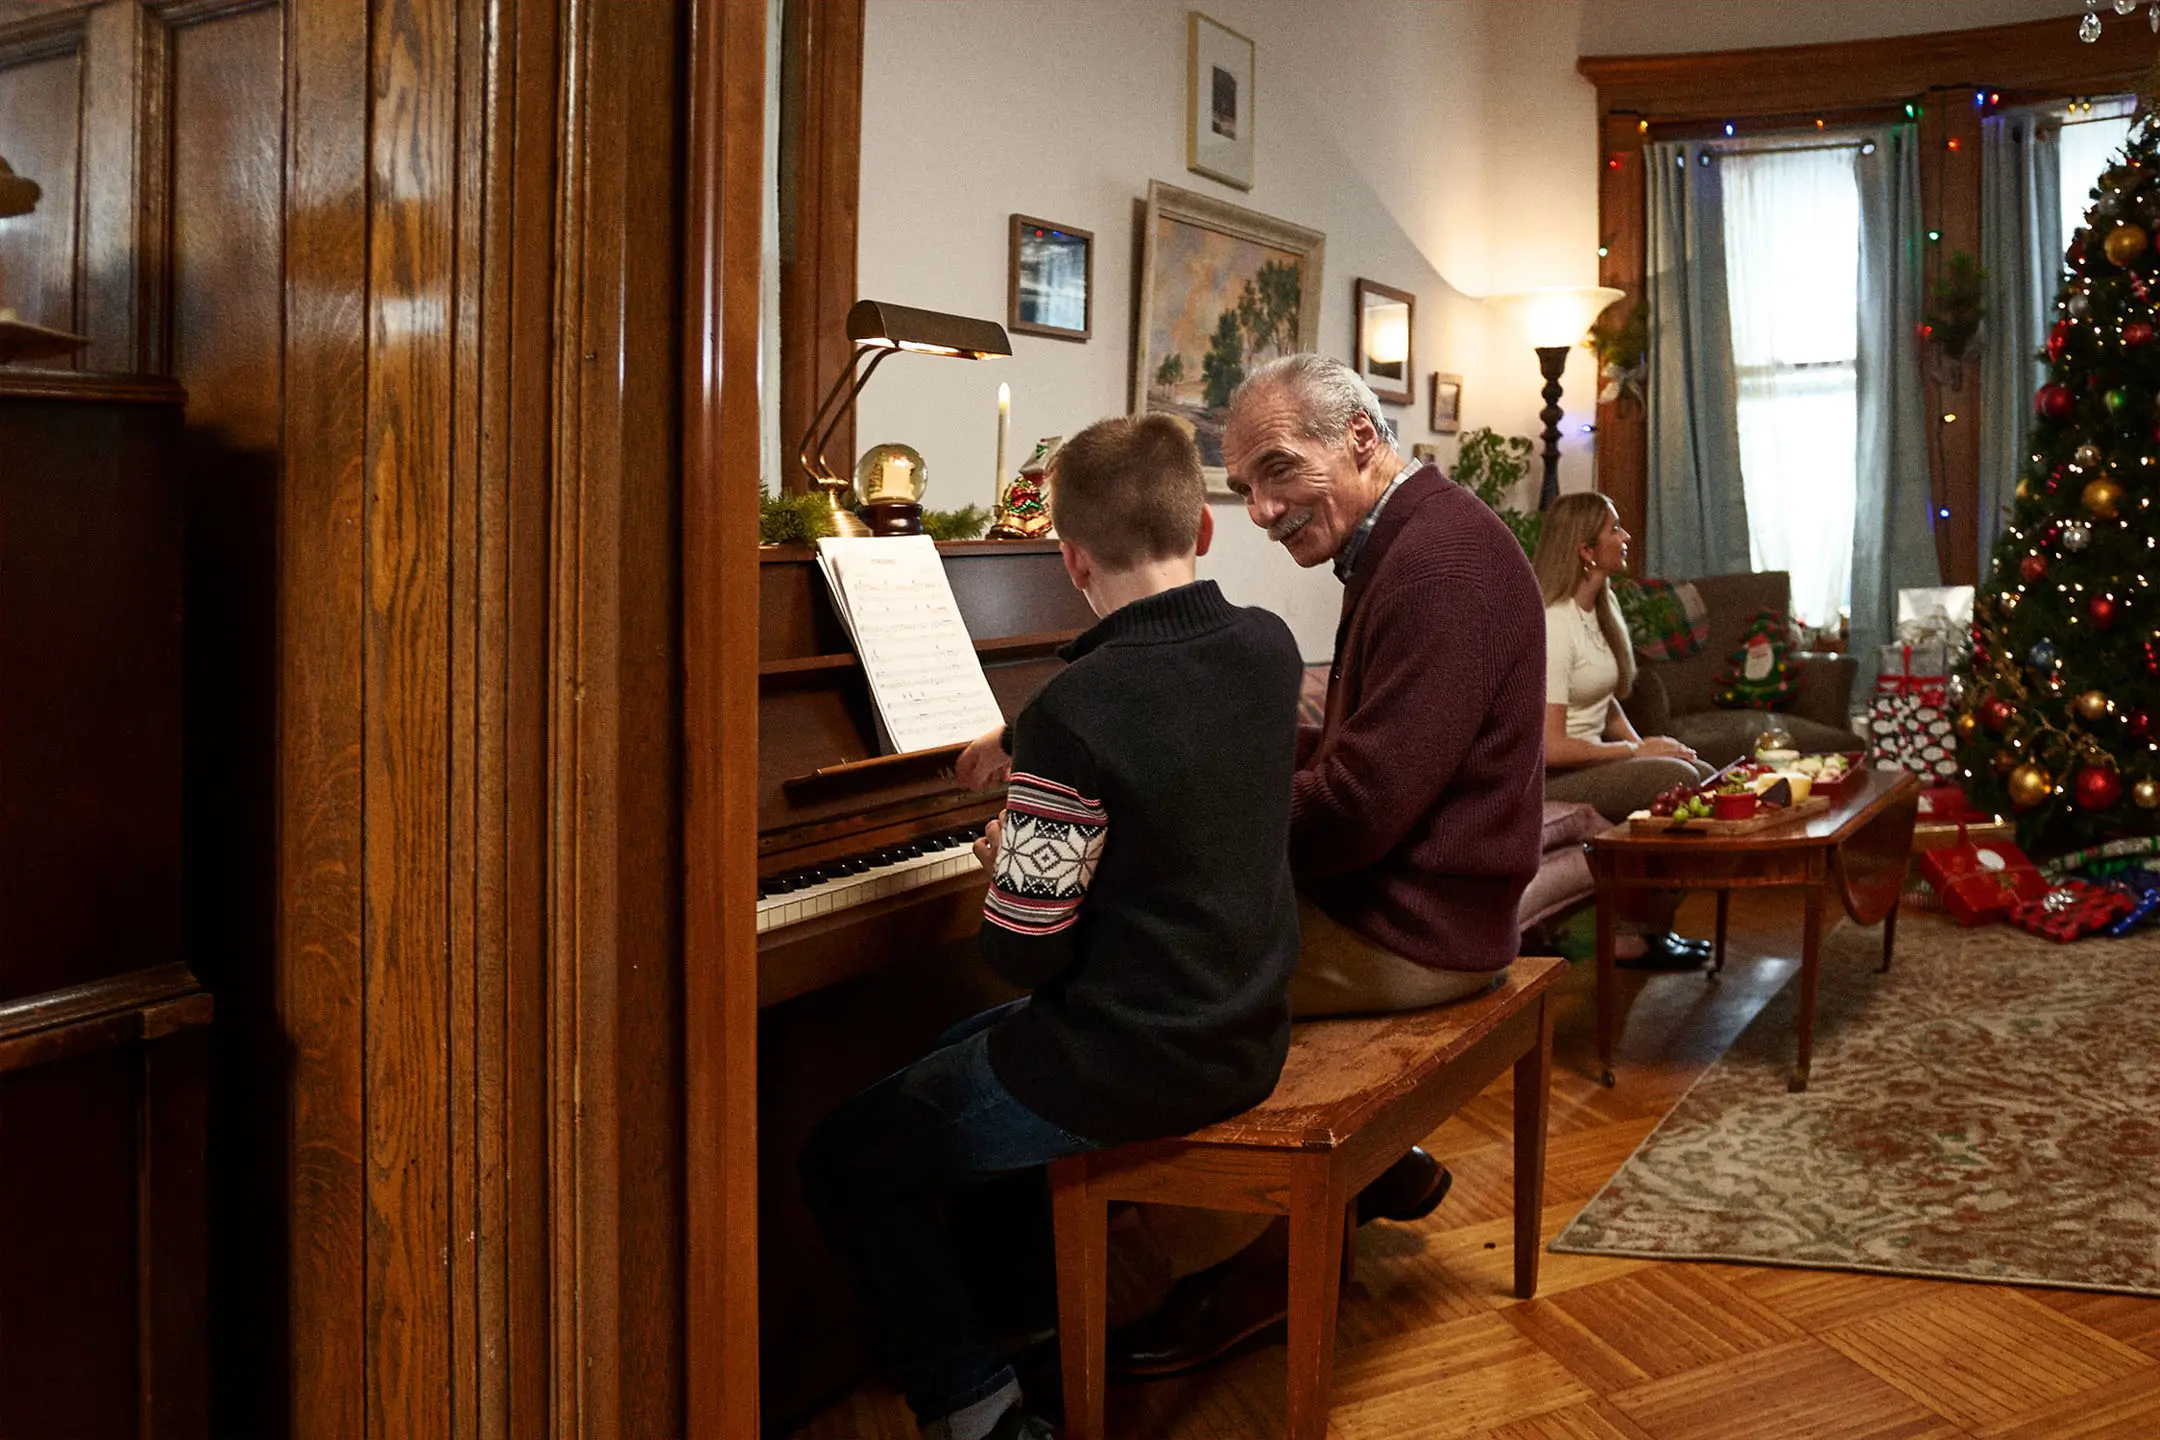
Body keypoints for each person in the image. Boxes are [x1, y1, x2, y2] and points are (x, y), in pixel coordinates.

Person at [800, 413, 1305, 1440]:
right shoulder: (1267, 646)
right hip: (1243, 1030)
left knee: (842, 1152)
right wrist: (1022, 736)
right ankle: (1029, 1323)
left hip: (1131, 1058)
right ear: (1201, 531)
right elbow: (1162, 705)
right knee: (948, 1056)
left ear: (1067, 558)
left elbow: (1022, 956)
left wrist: (1007, 869)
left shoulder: (1080, 710)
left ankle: (976, 1409)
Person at [1099, 353, 1550, 1377]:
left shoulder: (1437, 566)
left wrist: (1180, 813)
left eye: (1275, 472)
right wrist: (1223, 762)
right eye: (1242, 487)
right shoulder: (1415, 538)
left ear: (1358, 439)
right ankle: (1366, 1171)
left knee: (1146, 972)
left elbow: (1357, 810)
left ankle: (1234, 1268)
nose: (1258, 509)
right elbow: (1359, 756)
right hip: (1425, 904)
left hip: (1416, 930)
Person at [1532, 492, 1717, 968]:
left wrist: (1645, 744)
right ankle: (1634, 933)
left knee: (1709, 775)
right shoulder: (1554, 624)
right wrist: (1635, 756)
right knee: (1678, 783)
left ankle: (1654, 924)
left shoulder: (1598, 611)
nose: (1626, 536)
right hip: (1557, 774)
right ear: (1586, 549)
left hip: (1593, 759)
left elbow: (1604, 697)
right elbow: (1550, 747)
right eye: (1615, 529)